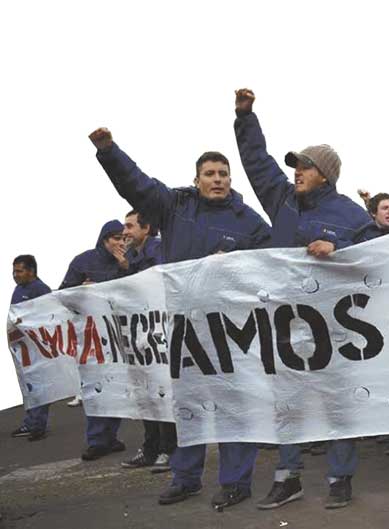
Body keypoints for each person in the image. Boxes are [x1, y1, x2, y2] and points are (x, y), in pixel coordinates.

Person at [89, 127, 272, 509]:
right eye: (210, 174)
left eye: (223, 174)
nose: (217, 180)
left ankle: (236, 482)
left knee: (234, 407)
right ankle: (185, 477)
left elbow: (273, 261)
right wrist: (108, 150)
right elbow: (136, 185)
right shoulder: (175, 206)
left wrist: (237, 264)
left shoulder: (249, 222)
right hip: (184, 327)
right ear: (197, 180)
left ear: (230, 180)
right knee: (188, 406)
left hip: (233, 331)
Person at [233, 87, 372, 509]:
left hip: (334, 327)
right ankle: (287, 477)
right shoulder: (282, 201)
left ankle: (339, 479)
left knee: (336, 407)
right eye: (295, 166)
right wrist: (244, 116)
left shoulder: (351, 215)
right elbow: (258, 163)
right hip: (283, 323)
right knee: (286, 406)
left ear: (325, 174)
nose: (296, 171)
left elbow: (374, 263)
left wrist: (339, 253)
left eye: (305, 166)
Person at [61, 220, 129, 462]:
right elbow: (63, 295)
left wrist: (124, 267)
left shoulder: (127, 264)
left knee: (117, 388)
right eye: (116, 239)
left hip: (118, 338)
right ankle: (97, 440)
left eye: (124, 239)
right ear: (104, 239)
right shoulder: (83, 261)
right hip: (92, 340)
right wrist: (81, 289)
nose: (121, 243)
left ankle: (110, 437)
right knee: (96, 388)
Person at [117, 210, 175, 474]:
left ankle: (169, 449)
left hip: (160, 335)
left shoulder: (159, 250)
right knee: (147, 394)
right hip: (140, 337)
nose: (125, 232)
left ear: (146, 228)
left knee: (163, 393)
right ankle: (151, 448)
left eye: (130, 226)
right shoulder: (129, 258)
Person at [10, 255, 53, 442]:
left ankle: (37, 426)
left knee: (40, 385)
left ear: (31, 271)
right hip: (23, 346)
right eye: (14, 271)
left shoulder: (41, 290)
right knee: (28, 385)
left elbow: (49, 317)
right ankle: (30, 422)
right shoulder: (19, 289)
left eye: (19, 271)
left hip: (39, 347)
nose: (15, 275)